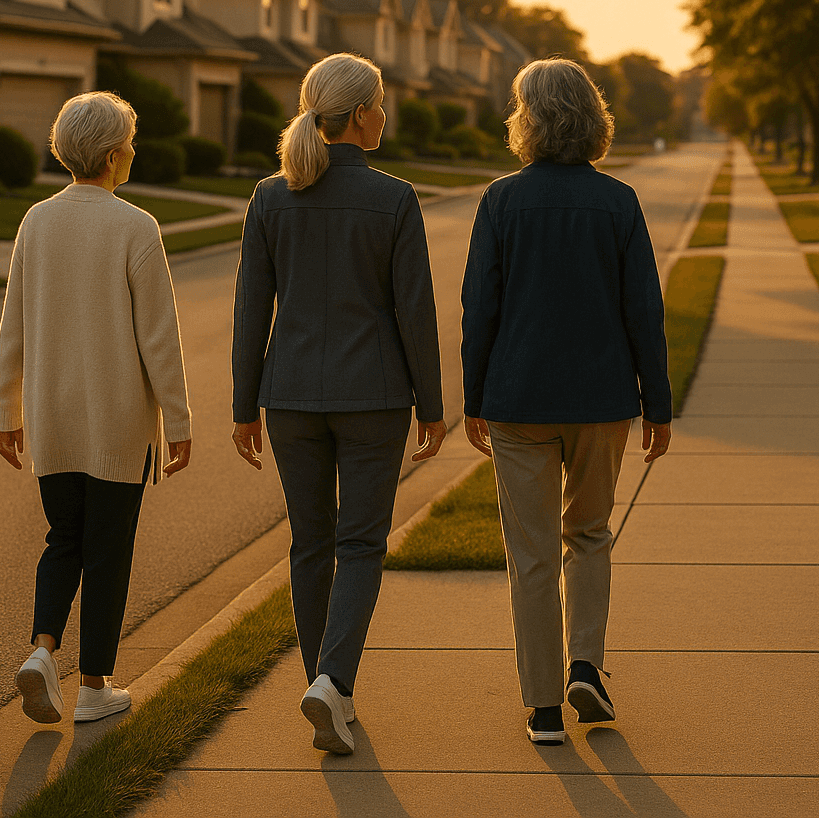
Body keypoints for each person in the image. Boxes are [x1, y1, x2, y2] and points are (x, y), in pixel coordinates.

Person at [231, 52, 446, 755]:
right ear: (359, 115)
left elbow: (249, 310)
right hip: (374, 397)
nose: (385, 115)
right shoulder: (395, 198)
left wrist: (243, 405)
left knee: (310, 544)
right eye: (380, 104)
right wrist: (432, 403)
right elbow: (415, 311)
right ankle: (333, 683)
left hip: (289, 395)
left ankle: (329, 691)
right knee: (360, 543)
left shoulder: (269, 197)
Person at [461, 58, 672, 746]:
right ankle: (587, 663)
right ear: (593, 117)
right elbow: (645, 310)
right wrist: (658, 405)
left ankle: (544, 707)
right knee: (588, 534)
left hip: (518, 400)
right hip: (601, 401)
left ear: (527, 119)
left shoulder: (500, 201)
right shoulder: (618, 202)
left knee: (530, 556)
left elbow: (478, 311)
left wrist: (474, 397)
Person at [0, 91, 192, 726]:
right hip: (116, 424)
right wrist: (179, 421)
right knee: (109, 550)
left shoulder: (36, 221)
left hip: (52, 419)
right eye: (129, 144)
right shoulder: (135, 226)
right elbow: (158, 337)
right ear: (113, 155)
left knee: (63, 540)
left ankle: (42, 648)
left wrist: (7, 413)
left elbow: (13, 327)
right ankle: (93, 688)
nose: (132, 154)